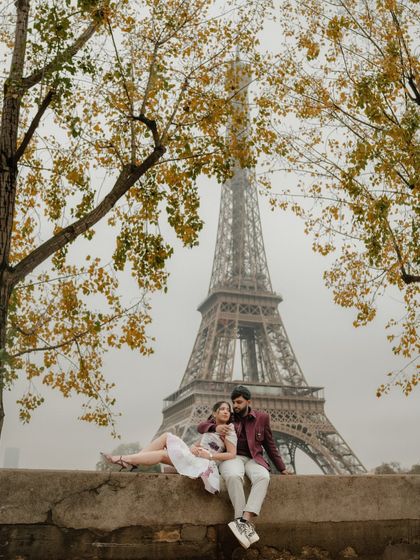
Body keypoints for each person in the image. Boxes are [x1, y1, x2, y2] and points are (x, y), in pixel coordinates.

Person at [198, 385, 290, 549]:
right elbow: (201, 426)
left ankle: (244, 520)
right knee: (233, 477)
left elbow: (270, 445)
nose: (235, 406)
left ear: (249, 401)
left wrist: (282, 467)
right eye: (234, 402)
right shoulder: (229, 416)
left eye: (239, 402)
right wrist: (216, 427)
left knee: (263, 477)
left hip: (254, 458)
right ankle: (240, 522)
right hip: (233, 457)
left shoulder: (262, 418)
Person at [102, 401, 237, 494]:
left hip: (203, 463)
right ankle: (133, 460)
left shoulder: (229, 431)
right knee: (166, 435)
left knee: (162, 454)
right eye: (222, 409)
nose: (226, 412)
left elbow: (232, 454)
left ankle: (124, 459)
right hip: (194, 457)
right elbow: (195, 445)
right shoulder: (209, 429)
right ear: (214, 413)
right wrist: (192, 449)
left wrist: (211, 456)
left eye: (228, 410)